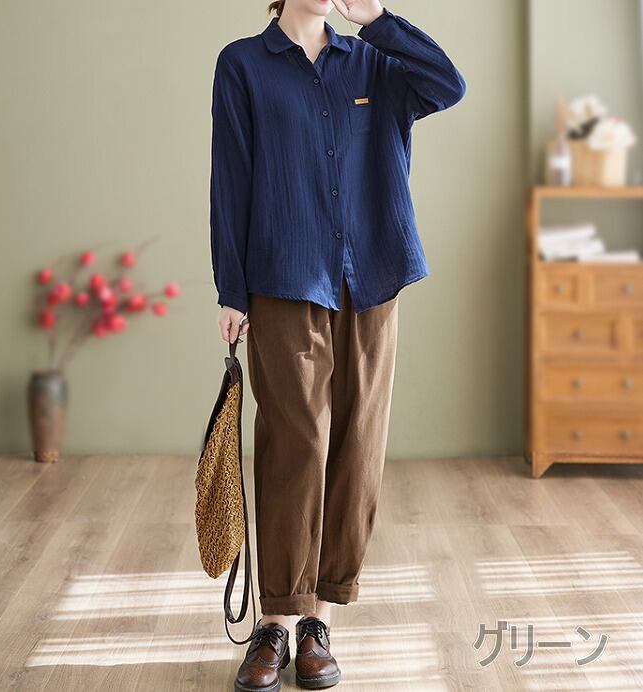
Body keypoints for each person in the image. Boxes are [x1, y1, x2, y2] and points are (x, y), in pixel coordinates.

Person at [209, 0, 466, 689]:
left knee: (357, 444)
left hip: (373, 276)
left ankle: (317, 622)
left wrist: (377, 17)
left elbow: (447, 84)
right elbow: (231, 177)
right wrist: (231, 289)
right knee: (296, 441)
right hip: (283, 274)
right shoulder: (242, 64)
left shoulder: (376, 60)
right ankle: (274, 623)